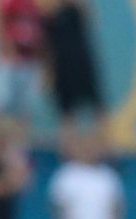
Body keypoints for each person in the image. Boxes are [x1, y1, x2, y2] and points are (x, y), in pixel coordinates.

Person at [41, 0, 106, 147]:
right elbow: (45, 46)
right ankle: (68, 152)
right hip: (62, 67)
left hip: (82, 64)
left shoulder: (76, 9)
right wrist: (47, 72)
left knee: (98, 108)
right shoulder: (49, 14)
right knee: (66, 113)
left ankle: (105, 149)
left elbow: (91, 19)